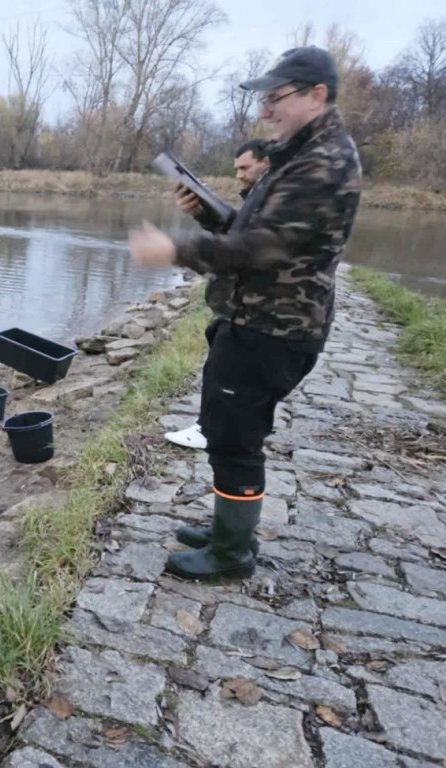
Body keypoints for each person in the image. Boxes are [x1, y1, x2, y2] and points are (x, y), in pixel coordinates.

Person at [129, 46, 361, 579]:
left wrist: (175, 249)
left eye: (275, 98)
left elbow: (264, 247)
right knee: (223, 424)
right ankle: (229, 528)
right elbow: (252, 232)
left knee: (235, 435)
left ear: (316, 95)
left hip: (272, 328)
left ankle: (231, 554)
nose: (264, 111)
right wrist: (213, 216)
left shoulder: (323, 165)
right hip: (252, 320)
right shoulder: (299, 155)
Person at [165, 139, 272, 451]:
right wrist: (203, 212)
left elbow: (249, 247)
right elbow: (236, 230)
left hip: (250, 305)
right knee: (222, 357)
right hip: (239, 301)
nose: (238, 174)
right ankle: (220, 425)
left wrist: (182, 250)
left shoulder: (274, 196)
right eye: (236, 168)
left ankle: (211, 430)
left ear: (265, 162)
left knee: (224, 364)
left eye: (244, 167)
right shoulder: (259, 196)